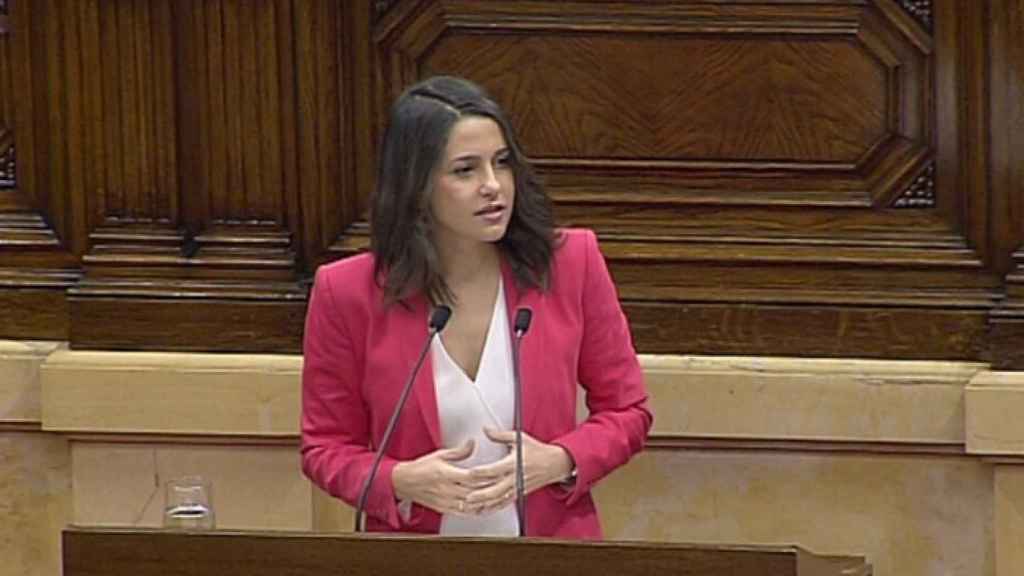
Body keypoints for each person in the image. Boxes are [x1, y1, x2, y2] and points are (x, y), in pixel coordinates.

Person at [301, 76, 652, 539]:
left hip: (550, 555)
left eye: (502, 163)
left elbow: (628, 411)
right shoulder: (346, 292)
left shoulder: (569, 264)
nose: (493, 186)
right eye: (465, 170)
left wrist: (561, 460)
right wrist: (397, 480)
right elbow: (325, 446)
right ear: (416, 185)